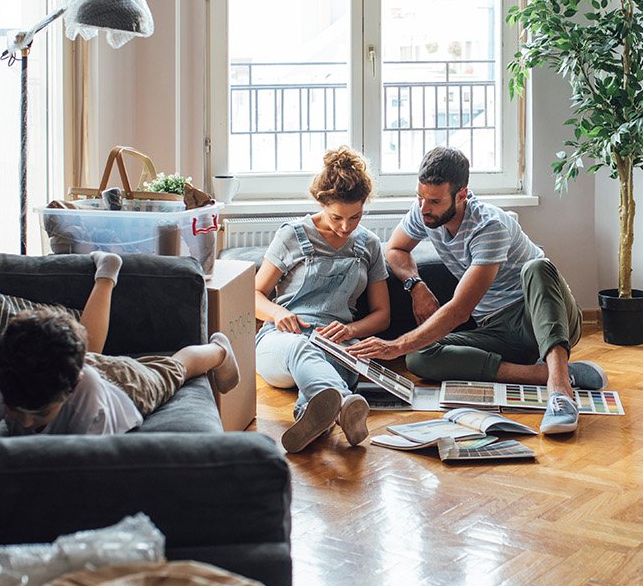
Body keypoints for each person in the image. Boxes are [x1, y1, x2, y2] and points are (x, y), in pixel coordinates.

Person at [347, 147, 605, 436]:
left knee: (537, 267)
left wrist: (394, 345)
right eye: (420, 197)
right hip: (496, 329)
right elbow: (395, 249)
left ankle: (560, 390)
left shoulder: (489, 226)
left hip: (542, 316)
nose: (424, 208)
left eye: (434, 200)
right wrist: (415, 285)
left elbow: (460, 310)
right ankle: (541, 373)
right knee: (420, 356)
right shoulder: (424, 213)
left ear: (461, 195)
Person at [0, 252, 240, 437]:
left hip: (123, 385)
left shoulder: (92, 405)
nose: (24, 422)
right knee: (87, 351)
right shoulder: (6, 380)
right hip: (78, 370)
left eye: (40, 413)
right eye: (14, 408)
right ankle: (106, 275)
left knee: (173, 368)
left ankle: (219, 350)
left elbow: (94, 472)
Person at [254, 147, 392, 453]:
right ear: (321, 203)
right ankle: (343, 405)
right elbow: (254, 293)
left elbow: (383, 315)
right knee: (303, 347)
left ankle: (313, 415)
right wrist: (277, 313)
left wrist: (352, 331)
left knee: (337, 358)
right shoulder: (292, 235)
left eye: (355, 216)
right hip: (283, 340)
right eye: (336, 217)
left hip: (337, 346)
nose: (345, 227)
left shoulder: (369, 244)